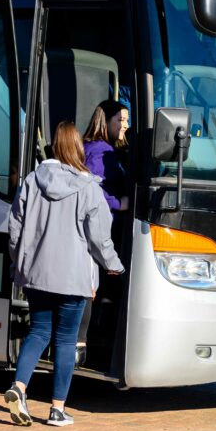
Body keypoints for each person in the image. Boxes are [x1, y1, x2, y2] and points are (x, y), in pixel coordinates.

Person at [5, 122, 124, 428]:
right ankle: (57, 410)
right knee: (66, 340)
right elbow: (99, 238)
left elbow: (15, 229)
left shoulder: (32, 181)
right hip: (74, 277)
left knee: (38, 332)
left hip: (36, 274)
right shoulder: (90, 188)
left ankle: (19, 387)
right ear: (78, 148)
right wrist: (113, 264)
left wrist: (19, 265)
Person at [77, 99, 131, 365]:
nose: (125, 125)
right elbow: (93, 189)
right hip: (102, 229)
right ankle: (92, 351)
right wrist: (118, 203)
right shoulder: (99, 150)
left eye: (126, 120)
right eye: (120, 120)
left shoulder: (104, 148)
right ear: (105, 121)